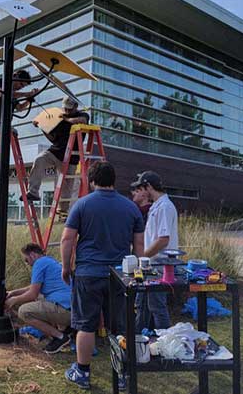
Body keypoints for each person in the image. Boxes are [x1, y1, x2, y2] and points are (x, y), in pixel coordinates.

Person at [61, 161, 144, 390]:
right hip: (119, 276)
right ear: (114, 180)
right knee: (118, 328)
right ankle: (121, 376)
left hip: (88, 273)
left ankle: (82, 373)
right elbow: (138, 244)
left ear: (92, 181)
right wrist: (137, 274)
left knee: (86, 326)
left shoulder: (82, 205)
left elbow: (68, 238)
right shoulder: (131, 208)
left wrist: (66, 267)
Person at [0, 70, 36, 204]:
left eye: (23, 87)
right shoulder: (2, 81)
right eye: (20, 84)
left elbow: (20, 108)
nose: (20, 88)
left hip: (4, 129)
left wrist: (28, 99)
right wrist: (26, 94)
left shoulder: (13, 94)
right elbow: (1, 94)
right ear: (14, 76)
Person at [130, 171, 179, 332]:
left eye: (142, 188)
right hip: (152, 264)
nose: (140, 192)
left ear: (149, 186)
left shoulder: (164, 207)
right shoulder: (157, 206)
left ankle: (165, 342)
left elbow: (163, 239)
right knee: (142, 304)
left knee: (157, 306)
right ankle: (139, 338)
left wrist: (143, 257)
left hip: (160, 264)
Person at [26, 96, 89, 218]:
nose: (66, 111)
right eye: (65, 109)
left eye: (69, 110)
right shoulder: (59, 120)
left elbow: (82, 121)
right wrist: (42, 127)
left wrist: (66, 119)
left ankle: (63, 211)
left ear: (76, 107)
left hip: (71, 157)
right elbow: (53, 138)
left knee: (67, 184)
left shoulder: (83, 115)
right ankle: (33, 192)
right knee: (39, 160)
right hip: (55, 152)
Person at [5, 243, 72, 354]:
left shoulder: (39, 263)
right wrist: (13, 293)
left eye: (26, 260)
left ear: (33, 255)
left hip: (66, 311)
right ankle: (65, 329)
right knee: (40, 298)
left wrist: (13, 301)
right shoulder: (49, 261)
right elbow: (33, 288)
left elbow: (32, 294)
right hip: (74, 309)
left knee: (24, 311)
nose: (28, 264)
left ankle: (60, 337)